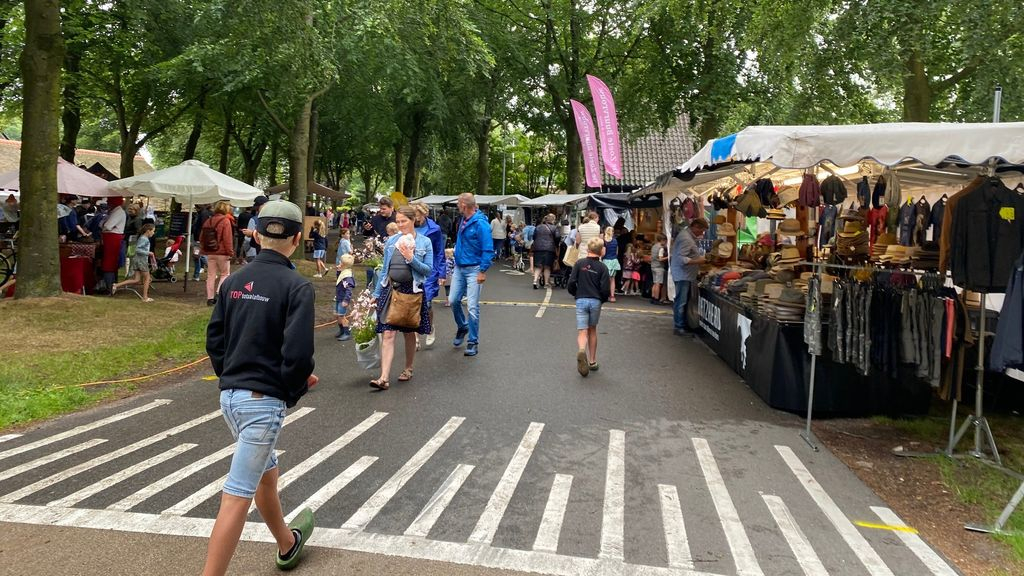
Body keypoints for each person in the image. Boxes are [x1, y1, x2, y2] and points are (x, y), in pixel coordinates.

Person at [202, 200, 317, 576]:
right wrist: (293, 387)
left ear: (254, 233)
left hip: (230, 398)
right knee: (237, 495)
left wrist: (232, 375)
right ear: (297, 239)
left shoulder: (232, 281)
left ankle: (286, 542)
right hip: (262, 402)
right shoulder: (296, 286)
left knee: (266, 474)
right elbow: (297, 354)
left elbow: (215, 340)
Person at [369, 206, 434, 390]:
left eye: (403, 221)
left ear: (413, 220)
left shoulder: (424, 242)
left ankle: (408, 368)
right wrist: (376, 294)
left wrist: (411, 258)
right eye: (397, 222)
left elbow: (428, 270)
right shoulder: (391, 241)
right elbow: (384, 270)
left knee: (408, 332)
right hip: (391, 290)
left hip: (412, 291)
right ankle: (383, 378)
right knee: (388, 333)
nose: (400, 225)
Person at [450, 193, 493, 357]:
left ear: (464, 205)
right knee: (453, 300)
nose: (457, 206)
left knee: (473, 307)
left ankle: (473, 342)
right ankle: (462, 326)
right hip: (459, 267)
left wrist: (482, 270)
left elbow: (488, 249)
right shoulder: (464, 220)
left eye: (458, 204)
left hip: (474, 269)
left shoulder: (481, 224)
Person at [568, 237, 610, 377]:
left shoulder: (579, 263)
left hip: (581, 299)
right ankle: (592, 361)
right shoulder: (603, 267)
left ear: (587, 249)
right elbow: (605, 289)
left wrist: (576, 293)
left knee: (582, 331)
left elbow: (571, 282)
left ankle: (581, 350)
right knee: (592, 329)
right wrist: (601, 299)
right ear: (601, 251)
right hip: (595, 301)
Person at [412, 203, 446, 348]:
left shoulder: (434, 229)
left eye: (416, 215)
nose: (414, 218)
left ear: (424, 214)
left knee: (426, 304)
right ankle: (416, 337)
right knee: (412, 303)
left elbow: (439, 251)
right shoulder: (409, 226)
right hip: (412, 268)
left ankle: (430, 327)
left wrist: (441, 272)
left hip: (429, 270)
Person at [670, 219, 708, 336]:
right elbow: (682, 259)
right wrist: (699, 261)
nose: (701, 234)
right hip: (683, 275)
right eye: (701, 231)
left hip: (684, 274)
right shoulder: (686, 238)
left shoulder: (686, 235)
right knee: (681, 301)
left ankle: (682, 324)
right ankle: (679, 326)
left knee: (682, 300)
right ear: (695, 227)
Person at [200, 201, 237, 306]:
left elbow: (201, 237)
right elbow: (227, 239)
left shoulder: (208, 220)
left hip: (210, 252)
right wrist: (230, 252)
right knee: (225, 274)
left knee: (211, 275)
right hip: (222, 252)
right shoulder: (225, 221)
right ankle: (218, 294)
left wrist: (203, 250)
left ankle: (209, 298)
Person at [112, 223, 156, 302]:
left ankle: (116, 285)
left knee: (136, 279)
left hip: (137, 260)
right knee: (147, 278)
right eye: (153, 231)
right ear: (148, 231)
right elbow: (137, 249)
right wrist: (148, 253)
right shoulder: (144, 239)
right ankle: (145, 297)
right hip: (141, 261)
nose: (153, 233)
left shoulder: (142, 238)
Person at [100, 197, 127, 293]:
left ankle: (110, 287)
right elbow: (103, 224)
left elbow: (107, 225)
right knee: (110, 262)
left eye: (109, 201)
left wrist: (104, 226)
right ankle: (111, 285)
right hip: (111, 238)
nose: (107, 203)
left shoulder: (118, 212)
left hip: (112, 239)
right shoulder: (113, 211)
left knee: (109, 262)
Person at [532, 214, 560, 289]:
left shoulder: (538, 227)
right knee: (547, 266)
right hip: (549, 249)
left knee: (538, 265)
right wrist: (556, 246)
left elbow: (534, 236)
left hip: (538, 248)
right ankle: (546, 283)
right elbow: (557, 238)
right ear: (553, 220)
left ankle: (535, 281)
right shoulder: (554, 228)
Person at [334, 254, 356, 341]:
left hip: (343, 299)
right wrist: (338, 271)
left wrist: (346, 300)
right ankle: (342, 330)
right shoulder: (343, 273)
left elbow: (349, 289)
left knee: (342, 316)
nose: (339, 263)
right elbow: (339, 279)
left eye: (341, 262)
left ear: (344, 265)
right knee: (337, 315)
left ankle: (347, 333)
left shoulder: (348, 276)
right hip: (339, 297)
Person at [193, 204, 214, 281]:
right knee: (197, 256)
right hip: (201, 238)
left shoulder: (202, 215)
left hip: (199, 238)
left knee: (200, 256)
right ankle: (196, 275)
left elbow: (202, 227)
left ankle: (210, 271)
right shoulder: (207, 214)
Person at [601, 227, 620, 302]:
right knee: (612, 280)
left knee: (605, 280)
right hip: (614, 261)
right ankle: (612, 296)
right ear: (612, 232)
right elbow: (617, 253)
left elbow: (603, 253)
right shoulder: (615, 241)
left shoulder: (604, 242)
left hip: (606, 261)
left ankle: (604, 295)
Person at [650, 233, 669, 305]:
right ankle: (656, 298)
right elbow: (660, 259)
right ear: (662, 240)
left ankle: (653, 297)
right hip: (659, 267)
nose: (666, 242)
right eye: (665, 241)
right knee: (658, 284)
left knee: (655, 283)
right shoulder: (661, 248)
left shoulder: (654, 246)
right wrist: (668, 257)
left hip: (653, 266)